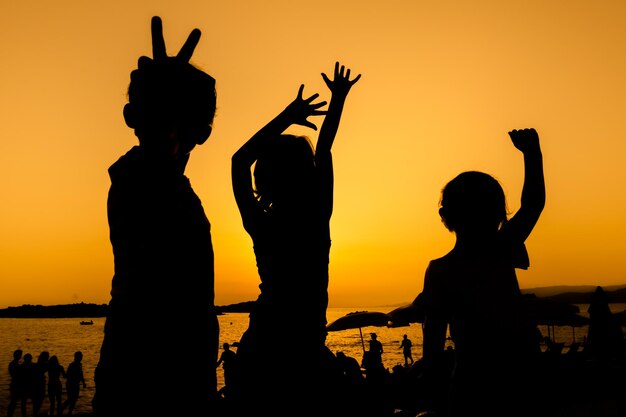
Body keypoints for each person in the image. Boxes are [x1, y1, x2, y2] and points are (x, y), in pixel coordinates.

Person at [92, 16, 220, 417]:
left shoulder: (175, 192)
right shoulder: (137, 182)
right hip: (145, 386)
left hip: (180, 385)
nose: (165, 127)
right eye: (157, 113)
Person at [231, 62, 360, 416]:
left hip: (263, 347)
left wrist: (288, 116)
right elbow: (326, 148)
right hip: (302, 351)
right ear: (306, 173)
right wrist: (337, 100)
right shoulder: (316, 217)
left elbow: (238, 161)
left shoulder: (261, 223)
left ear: (265, 178)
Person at [420, 128, 546, 417]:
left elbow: (433, 343)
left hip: (471, 386)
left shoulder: (441, 270)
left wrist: (434, 392)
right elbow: (533, 205)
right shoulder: (503, 246)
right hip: (520, 380)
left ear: (445, 216)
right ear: (500, 214)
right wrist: (532, 154)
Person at [63, 351, 86, 416]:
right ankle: (62, 409)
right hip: (71, 384)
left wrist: (83, 382)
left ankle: (69, 411)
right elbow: (68, 375)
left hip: (75, 384)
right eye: (80, 356)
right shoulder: (72, 365)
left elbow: (81, 374)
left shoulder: (79, 365)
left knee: (74, 398)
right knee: (71, 398)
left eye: (81, 356)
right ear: (77, 357)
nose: (81, 357)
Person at [32, 351, 49, 417]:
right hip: (40, 384)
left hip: (34, 384)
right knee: (39, 399)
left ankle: (35, 413)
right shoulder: (44, 365)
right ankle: (35, 413)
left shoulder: (36, 364)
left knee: (35, 401)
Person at [6, 349, 23, 417]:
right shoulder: (14, 365)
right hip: (16, 385)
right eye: (20, 355)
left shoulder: (13, 364)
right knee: (14, 402)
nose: (20, 356)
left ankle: (9, 415)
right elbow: (15, 375)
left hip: (14, 384)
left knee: (14, 402)